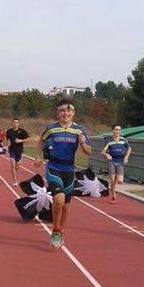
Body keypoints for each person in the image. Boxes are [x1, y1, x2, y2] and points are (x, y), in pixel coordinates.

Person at [35, 99, 91, 249]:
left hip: (69, 170)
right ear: (58, 113)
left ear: (73, 113)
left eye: (68, 111)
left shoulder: (80, 130)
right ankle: (55, 231)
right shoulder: (51, 128)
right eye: (62, 110)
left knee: (65, 206)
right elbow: (41, 141)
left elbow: (88, 152)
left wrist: (83, 142)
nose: (65, 113)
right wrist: (38, 156)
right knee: (58, 200)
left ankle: (60, 231)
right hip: (53, 168)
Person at [102, 125, 131, 203]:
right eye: (116, 130)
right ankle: (113, 196)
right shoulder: (108, 140)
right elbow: (103, 151)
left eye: (119, 130)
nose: (117, 131)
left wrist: (126, 158)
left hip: (120, 161)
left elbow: (129, 149)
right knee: (112, 180)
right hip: (112, 161)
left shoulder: (124, 140)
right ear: (113, 130)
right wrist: (107, 155)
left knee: (120, 181)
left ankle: (113, 188)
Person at [5, 117, 29, 186]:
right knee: (12, 166)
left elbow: (28, 139)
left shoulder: (22, 131)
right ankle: (15, 181)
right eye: (14, 122)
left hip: (19, 150)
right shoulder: (9, 131)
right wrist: (8, 142)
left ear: (19, 123)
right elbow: (7, 139)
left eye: (17, 122)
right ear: (12, 123)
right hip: (12, 150)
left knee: (17, 167)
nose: (15, 124)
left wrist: (20, 140)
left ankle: (18, 164)